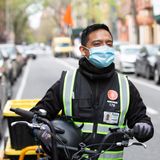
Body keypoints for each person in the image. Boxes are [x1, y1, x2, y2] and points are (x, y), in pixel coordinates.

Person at [31, 24, 154, 159]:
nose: (104, 48)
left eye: (109, 44)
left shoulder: (125, 85)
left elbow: (142, 119)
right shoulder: (67, 82)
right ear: (84, 50)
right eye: (97, 44)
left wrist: (144, 128)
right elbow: (38, 115)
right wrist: (47, 133)